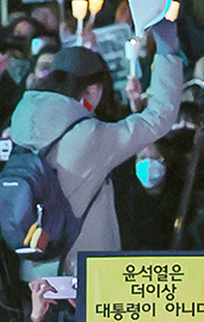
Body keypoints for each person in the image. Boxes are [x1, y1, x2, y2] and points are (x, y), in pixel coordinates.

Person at [7, 27, 183, 263]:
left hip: (32, 266)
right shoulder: (89, 137)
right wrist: (166, 52)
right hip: (78, 270)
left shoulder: (20, 122)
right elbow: (158, 118)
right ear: (92, 90)